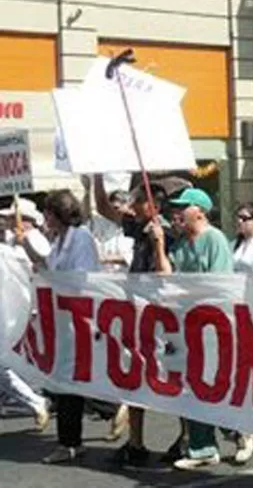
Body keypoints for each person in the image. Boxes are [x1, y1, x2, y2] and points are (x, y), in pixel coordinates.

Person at [94, 175, 182, 466]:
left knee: (172, 378)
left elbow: (165, 274)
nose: (133, 206)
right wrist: (95, 178)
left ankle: (186, 438)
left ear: (153, 205)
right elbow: (106, 210)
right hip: (138, 313)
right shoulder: (141, 227)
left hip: (161, 317)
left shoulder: (167, 233)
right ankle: (136, 443)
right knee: (134, 377)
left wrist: (158, 244)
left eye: (139, 201)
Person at [23, 190, 102, 464]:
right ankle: (71, 440)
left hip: (79, 319)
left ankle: (70, 442)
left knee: (71, 380)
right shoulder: (58, 241)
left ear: (59, 214)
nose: (44, 218)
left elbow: (80, 277)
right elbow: (50, 268)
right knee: (67, 380)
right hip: (63, 322)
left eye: (48, 213)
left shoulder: (80, 239)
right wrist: (30, 251)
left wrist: (54, 279)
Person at [163, 188, 239, 471]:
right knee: (191, 387)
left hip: (211, 326)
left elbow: (219, 285)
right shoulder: (180, 244)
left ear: (200, 211)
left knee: (212, 385)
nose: (177, 213)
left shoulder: (215, 239)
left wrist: (186, 295)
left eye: (183, 207)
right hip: (185, 326)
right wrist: (159, 244)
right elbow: (166, 278)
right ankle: (203, 446)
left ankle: (237, 430)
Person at [0, 199, 51, 432]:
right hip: (13, 307)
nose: (7, 220)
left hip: (29, 308)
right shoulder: (10, 242)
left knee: (34, 361)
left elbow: (41, 266)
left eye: (12, 216)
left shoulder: (35, 240)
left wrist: (22, 246)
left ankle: (104, 404)